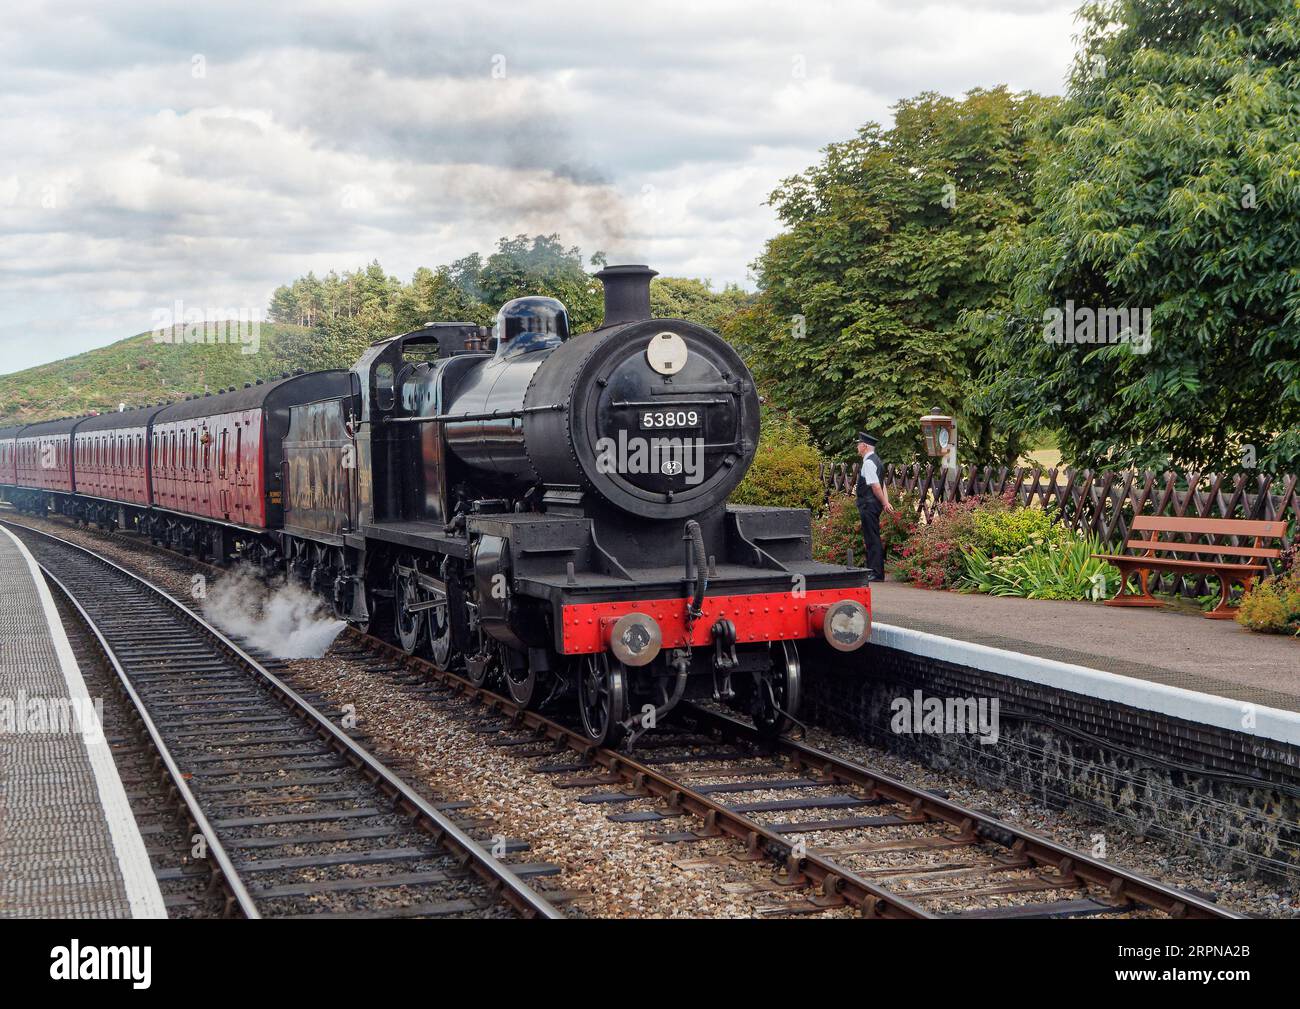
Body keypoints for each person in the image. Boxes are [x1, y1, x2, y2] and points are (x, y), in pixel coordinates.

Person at [854, 432, 894, 581]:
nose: (857, 447)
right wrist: (886, 502)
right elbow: (882, 484)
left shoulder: (869, 463)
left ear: (864, 446)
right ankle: (875, 571)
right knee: (873, 537)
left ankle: (876, 573)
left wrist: (884, 502)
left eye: (858, 444)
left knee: (872, 538)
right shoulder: (877, 460)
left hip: (868, 505)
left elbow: (876, 486)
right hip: (873, 505)